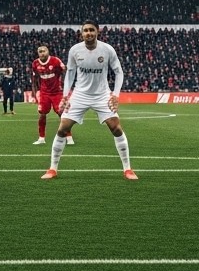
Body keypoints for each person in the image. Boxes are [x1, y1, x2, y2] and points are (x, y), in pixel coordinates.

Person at [42, 21, 134, 180]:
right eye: (85, 30)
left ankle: (128, 169)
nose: (88, 33)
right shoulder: (75, 50)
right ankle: (52, 169)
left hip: (102, 94)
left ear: (97, 31)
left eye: (92, 30)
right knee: (63, 128)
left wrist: (115, 95)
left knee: (116, 127)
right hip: (80, 94)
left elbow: (119, 72)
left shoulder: (107, 49)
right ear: (81, 33)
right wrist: (65, 95)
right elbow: (70, 73)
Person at [30, 45, 66, 145]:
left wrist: (65, 86)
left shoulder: (55, 61)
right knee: (42, 114)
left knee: (61, 113)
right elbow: (35, 78)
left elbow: (65, 72)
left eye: (44, 51)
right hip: (44, 93)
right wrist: (34, 92)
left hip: (57, 92)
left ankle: (68, 135)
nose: (42, 53)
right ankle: (41, 138)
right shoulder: (35, 63)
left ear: (48, 51)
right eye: (40, 51)